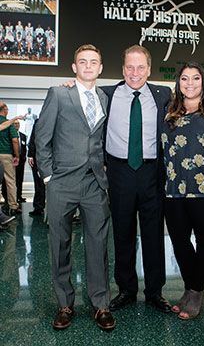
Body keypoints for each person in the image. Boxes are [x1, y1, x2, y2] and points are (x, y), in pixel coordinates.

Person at [35, 44, 115, 331]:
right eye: (83, 61)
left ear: (101, 67)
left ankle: (101, 304)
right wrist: (47, 178)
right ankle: (65, 304)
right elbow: (41, 137)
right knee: (59, 246)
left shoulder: (104, 97)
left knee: (98, 245)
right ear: (74, 67)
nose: (88, 66)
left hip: (95, 183)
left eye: (94, 61)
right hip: (62, 183)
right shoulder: (59, 93)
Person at [102, 45, 172, 313]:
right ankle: (127, 290)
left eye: (140, 67)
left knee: (154, 233)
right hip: (119, 172)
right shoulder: (106, 94)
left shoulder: (163, 94)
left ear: (149, 69)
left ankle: (155, 291)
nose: (134, 72)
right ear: (122, 69)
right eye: (129, 67)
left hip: (151, 172)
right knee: (122, 232)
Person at [161, 62, 204, 320]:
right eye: (185, 78)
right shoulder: (169, 111)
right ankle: (191, 286)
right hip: (174, 189)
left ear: (203, 81)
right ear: (178, 82)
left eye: (195, 78)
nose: (190, 83)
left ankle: (196, 290)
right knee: (179, 241)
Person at [0, 114, 24, 228]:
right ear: (5, 111)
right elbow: (15, 140)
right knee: (10, 181)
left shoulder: (7, 123)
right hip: (6, 154)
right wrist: (17, 156)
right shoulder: (9, 124)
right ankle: (13, 206)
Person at [27, 119, 46, 217]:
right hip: (41, 157)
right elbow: (33, 138)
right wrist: (30, 154)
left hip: (41, 157)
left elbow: (33, 138)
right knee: (39, 184)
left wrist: (30, 155)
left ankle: (39, 207)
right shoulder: (39, 122)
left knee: (39, 184)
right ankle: (39, 207)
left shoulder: (39, 121)